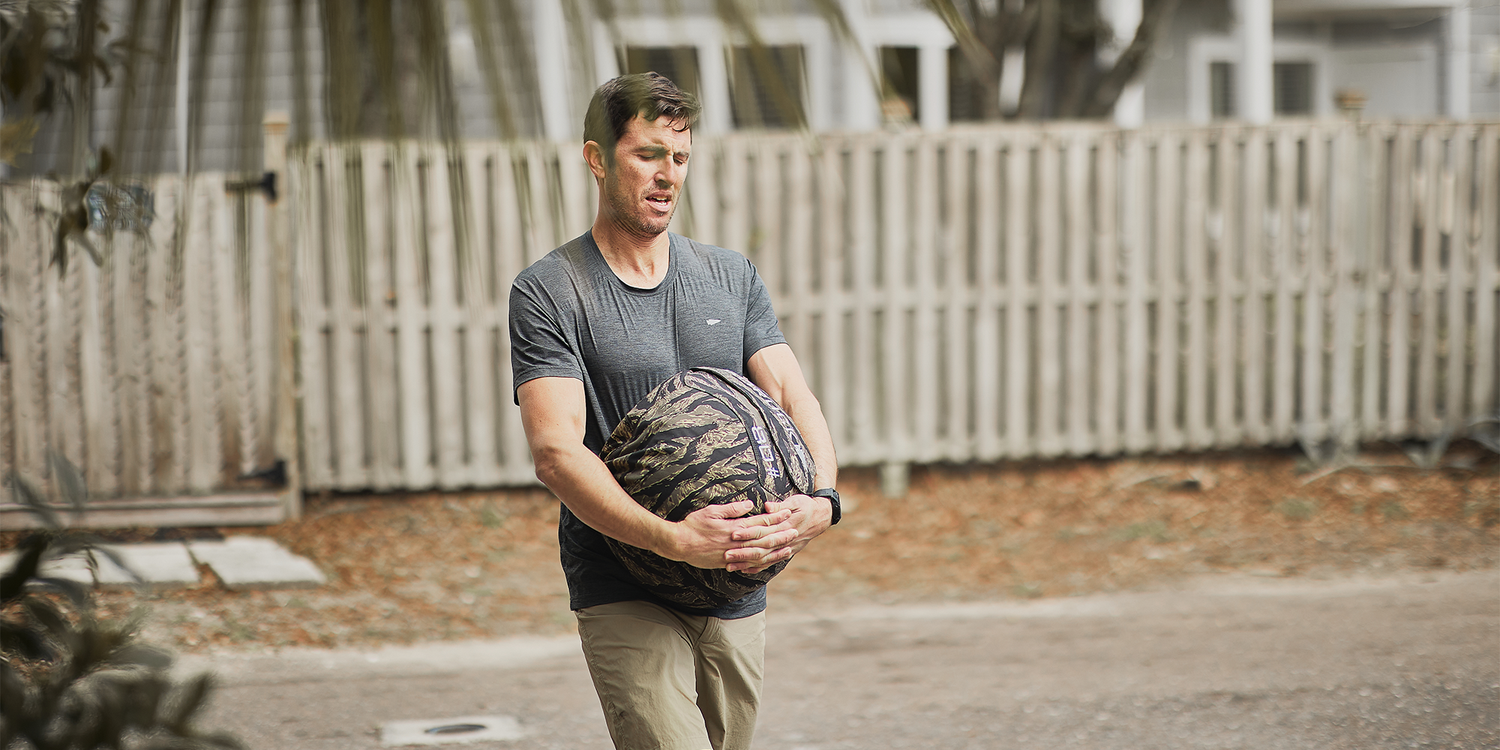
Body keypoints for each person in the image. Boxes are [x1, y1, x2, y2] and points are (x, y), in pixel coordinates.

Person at [507, 72, 841, 750]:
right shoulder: (551, 291)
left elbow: (791, 395)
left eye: (680, 158)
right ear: (597, 158)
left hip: (737, 581)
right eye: (647, 155)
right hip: (624, 578)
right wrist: (671, 539)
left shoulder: (729, 276)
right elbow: (556, 452)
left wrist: (824, 501)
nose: (667, 175)